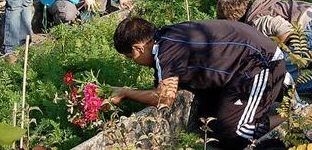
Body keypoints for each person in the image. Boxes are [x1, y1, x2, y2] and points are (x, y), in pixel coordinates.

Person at [111, 17, 286, 149]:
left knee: (234, 135)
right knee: (208, 124)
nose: (134, 61)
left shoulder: (166, 50)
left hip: (261, 64)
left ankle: (290, 118)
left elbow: (163, 98)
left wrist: (126, 93)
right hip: (238, 70)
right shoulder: (165, 39)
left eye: (130, 57)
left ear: (138, 48)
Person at [216, 0, 312, 95]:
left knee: (276, 77)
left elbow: (285, 30)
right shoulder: (268, 6)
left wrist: (277, 54)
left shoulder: (257, 20)